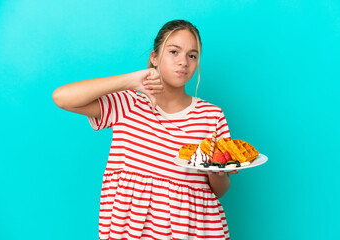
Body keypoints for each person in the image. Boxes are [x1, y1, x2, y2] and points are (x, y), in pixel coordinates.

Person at [53, 19, 238, 240]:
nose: (183, 62)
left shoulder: (211, 115)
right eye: (173, 52)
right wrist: (131, 80)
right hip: (131, 230)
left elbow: (219, 190)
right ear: (154, 57)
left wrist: (216, 173)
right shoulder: (128, 104)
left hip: (192, 231)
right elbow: (62, 98)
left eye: (192, 55)